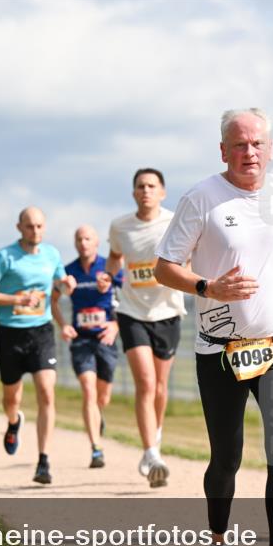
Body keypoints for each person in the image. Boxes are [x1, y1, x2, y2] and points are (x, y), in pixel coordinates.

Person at [155, 108, 273, 546]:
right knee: (227, 458)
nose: (250, 153)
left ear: (271, 148)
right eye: (239, 145)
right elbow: (164, 268)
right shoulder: (200, 199)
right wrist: (208, 286)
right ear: (223, 150)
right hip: (220, 348)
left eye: (258, 144)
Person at [0, 207, 76, 485]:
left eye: (40, 226)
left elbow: (61, 287)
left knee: (46, 392)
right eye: (30, 227)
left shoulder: (52, 254)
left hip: (41, 332)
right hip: (10, 333)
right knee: (12, 399)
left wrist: (68, 284)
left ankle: (43, 461)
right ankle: (13, 422)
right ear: (19, 227)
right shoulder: (4, 256)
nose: (36, 232)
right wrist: (16, 300)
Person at [107, 167, 186, 487]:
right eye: (140, 186)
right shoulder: (120, 226)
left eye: (152, 186)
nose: (146, 191)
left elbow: (188, 259)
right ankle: (151, 452)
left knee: (160, 387)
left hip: (167, 312)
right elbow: (113, 259)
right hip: (131, 311)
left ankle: (156, 436)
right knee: (145, 382)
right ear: (133, 192)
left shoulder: (173, 222)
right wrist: (108, 275)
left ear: (162, 192)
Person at [51, 225, 120, 469]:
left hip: (106, 339)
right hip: (81, 339)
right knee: (89, 391)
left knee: (102, 397)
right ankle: (96, 449)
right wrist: (63, 325)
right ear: (75, 242)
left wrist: (115, 325)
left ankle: (97, 416)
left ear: (96, 242)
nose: (83, 243)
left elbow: (129, 297)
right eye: (79, 239)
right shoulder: (68, 272)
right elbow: (54, 300)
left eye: (87, 238)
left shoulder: (109, 268)